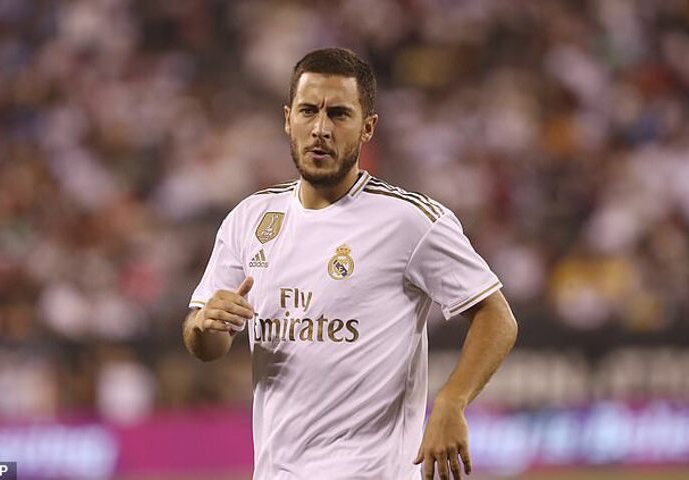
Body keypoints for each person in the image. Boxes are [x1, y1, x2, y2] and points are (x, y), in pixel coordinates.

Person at [182, 47, 517, 480]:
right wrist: (204, 323)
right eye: (308, 111)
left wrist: (452, 401)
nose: (320, 128)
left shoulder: (409, 221)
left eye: (339, 114)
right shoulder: (250, 219)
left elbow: (496, 317)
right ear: (288, 119)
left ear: (367, 127)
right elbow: (207, 346)